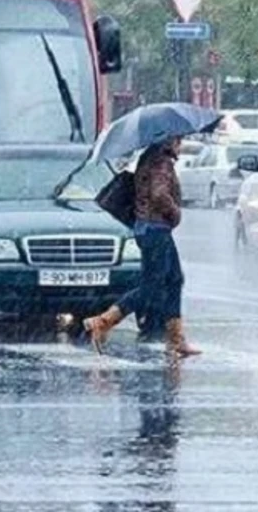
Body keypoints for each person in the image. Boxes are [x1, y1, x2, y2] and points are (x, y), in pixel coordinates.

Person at [83, 135, 201, 361]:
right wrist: (175, 213)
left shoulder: (150, 158)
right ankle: (103, 321)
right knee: (152, 287)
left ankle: (176, 339)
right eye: (179, 140)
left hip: (150, 228)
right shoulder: (161, 163)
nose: (181, 144)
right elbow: (159, 195)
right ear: (169, 142)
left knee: (174, 279)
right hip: (155, 229)